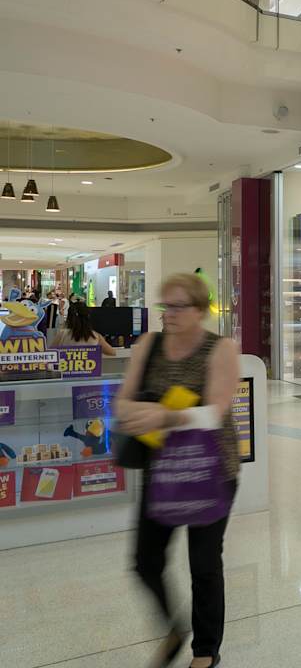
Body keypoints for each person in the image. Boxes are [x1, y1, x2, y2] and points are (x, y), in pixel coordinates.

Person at [115, 273, 241, 668]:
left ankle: (205, 651)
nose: (168, 314)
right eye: (164, 305)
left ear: (200, 310)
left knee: (204, 563)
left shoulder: (220, 349)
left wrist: (164, 416)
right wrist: (144, 413)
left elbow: (215, 412)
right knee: (145, 561)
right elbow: (122, 403)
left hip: (213, 469)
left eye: (178, 306)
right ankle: (174, 626)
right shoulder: (148, 345)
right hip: (162, 468)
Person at [51, 301, 115, 356]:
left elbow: (50, 354)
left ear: (69, 318)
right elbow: (112, 352)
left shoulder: (62, 334)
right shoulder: (95, 336)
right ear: (88, 317)